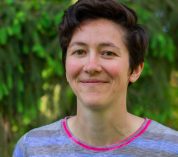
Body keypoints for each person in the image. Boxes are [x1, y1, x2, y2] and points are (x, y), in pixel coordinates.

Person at [13, 0, 178, 156]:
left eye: (108, 53)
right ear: (65, 65)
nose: (91, 66)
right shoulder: (31, 148)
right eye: (80, 52)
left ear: (135, 69)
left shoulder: (172, 149)